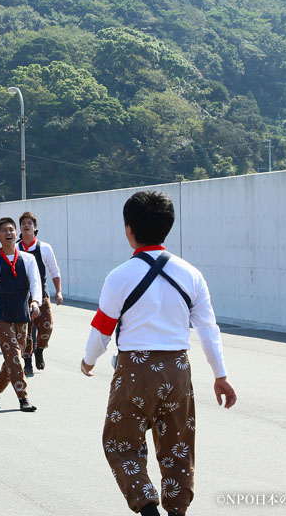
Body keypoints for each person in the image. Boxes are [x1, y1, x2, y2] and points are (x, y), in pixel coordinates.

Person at [80, 190, 237, 516]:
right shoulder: (191, 274)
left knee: (121, 444)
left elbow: (102, 330)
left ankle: (147, 505)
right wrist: (220, 374)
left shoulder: (119, 276)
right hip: (178, 370)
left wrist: (88, 360)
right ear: (168, 226)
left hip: (134, 371)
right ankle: (177, 510)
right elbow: (208, 329)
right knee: (177, 449)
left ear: (129, 229)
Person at [0, 217, 41, 412]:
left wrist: (35, 302)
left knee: (12, 358)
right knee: (14, 356)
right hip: (2, 316)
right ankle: (23, 398)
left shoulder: (28, 259)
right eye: (4, 230)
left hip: (22, 315)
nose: (9, 233)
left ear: (17, 234)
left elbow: (35, 283)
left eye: (11, 230)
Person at [17, 211, 63, 375]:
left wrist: (58, 292)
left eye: (30, 223)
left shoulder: (44, 248)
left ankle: (40, 350)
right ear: (20, 228)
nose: (26, 225)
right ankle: (27, 360)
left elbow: (54, 271)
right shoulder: (15, 248)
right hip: (22, 297)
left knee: (46, 327)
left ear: (35, 228)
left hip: (41, 295)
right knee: (26, 330)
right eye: (23, 223)